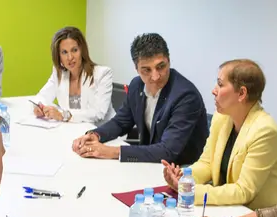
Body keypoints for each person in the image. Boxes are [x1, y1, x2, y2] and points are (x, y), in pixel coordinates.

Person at [163, 59, 277, 210]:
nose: (214, 90)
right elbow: (207, 164)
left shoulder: (265, 131)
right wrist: (183, 178)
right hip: (231, 212)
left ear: (242, 93)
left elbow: (244, 191)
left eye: (220, 84)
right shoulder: (222, 117)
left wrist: (191, 191)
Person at [71, 33, 208, 164]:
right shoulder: (137, 85)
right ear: (136, 68)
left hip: (183, 170)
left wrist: (111, 152)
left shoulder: (185, 96)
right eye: (146, 70)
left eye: (161, 67)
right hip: (150, 163)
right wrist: (96, 135)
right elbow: (121, 122)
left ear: (169, 61)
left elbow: (168, 150)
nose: (155, 76)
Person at [32, 26, 115, 125]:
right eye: (64, 52)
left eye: (74, 50)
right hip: (73, 130)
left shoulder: (102, 74)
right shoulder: (59, 73)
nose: (70, 57)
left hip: (103, 132)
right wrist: (39, 107)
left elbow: (98, 113)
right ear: (59, 56)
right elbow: (42, 96)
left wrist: (63, 115)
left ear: (82, 51)